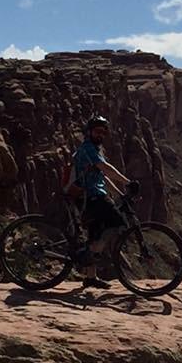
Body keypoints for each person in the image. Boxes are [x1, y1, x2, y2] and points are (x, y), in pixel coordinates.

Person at [74, 115, 132, 289]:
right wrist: (128, 182)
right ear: (89, 132)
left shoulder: (93, 149)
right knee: (119, 223)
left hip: (92, 196)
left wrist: (121, 193)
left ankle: (90, 277)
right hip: (91, 197)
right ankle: (89, 252)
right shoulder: (88, 149)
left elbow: (103, 177)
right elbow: (106, 168)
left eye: (103, 132)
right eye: (97, 131)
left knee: (95, 234)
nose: (100, 135)